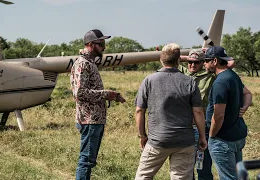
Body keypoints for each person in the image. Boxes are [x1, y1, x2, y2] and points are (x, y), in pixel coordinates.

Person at [134, 43, 207, 180]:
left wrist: (142, 135)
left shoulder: (149, 80)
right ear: (179, 61)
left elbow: (139, 111)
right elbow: (198, 112)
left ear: (161, 60)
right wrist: (202, 136)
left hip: (157, 140)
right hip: (184, 141)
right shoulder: (190, 82)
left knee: (143, 176)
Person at [70, 29, 126, 180]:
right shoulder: (82, 64)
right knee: (86, 161)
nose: (104, 47)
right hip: (90, 121)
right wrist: (107, 94)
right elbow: (79, 93)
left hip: (94, 120)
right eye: (101, 43)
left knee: (89, 160)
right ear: (90, 44)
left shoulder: (89, 63)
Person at [204, 46, 252, 180]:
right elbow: (247, 93)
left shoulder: (220, 82)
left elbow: (218, 115)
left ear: (214, 61)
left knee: (228, 177)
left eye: (206, 60)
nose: (204, 63)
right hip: (236, 136)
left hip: (223, 139)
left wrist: (212, 135)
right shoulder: (233, 76)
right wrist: (246, 105)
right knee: (238, 176)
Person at [179, 49, 215, 180]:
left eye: (197, 62)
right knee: (186, 167)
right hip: (185, 128)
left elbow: (228, 65)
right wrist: (188, 56)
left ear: (203, 62)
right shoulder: (183, 72)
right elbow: (168, 58)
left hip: (201, 128)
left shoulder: (210, 76)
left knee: (203, 167)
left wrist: (208, 55)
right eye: (190, 62)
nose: (192, 65)